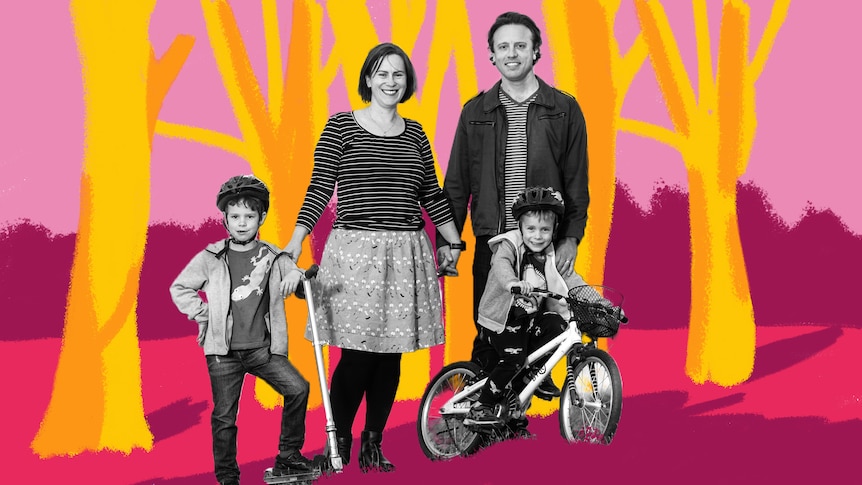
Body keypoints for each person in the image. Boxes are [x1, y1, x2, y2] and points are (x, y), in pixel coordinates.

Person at [283, 43, 463, 473]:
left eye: (398, 74)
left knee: (390, 356)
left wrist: (453, 241)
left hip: (406, 254)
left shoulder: (416, 133)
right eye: (381, 73)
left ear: (407, 81)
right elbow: (319, 189)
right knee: (358, 355)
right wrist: (295, 241)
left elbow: (430, 194)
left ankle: (372, 445)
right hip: (355, 253)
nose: (390, 81)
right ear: (367, 79)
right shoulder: (341, 127)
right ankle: (336, 445)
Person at [437, 11, 590, 400]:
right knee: (493, 332)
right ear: (491, 55)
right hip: (496, 242)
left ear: (536, 51)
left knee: (546, 328)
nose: (512, 53)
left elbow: (576, 182)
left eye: (520, 45)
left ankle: (516, 411)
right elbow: (456, 184)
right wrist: (449, 242)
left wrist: (571, 238)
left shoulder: (564, 109)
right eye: (503, 47)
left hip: (544, 243)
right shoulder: (476, 112)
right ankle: (485, 419)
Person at [170, 175, 314, 485]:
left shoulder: (275, 257)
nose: (242, 223)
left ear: (261, 217)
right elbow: (180, 288)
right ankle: (227, 478)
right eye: (235, 216)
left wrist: (298, 279)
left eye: (249, 216)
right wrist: (204, 313)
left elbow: (301, 283)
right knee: (224, 416)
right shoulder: (211, 257)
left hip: (263, 350)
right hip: (223, 354)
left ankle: (288, 456)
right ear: (225, 219)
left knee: (298, 389)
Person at [464, 187, 597, 427]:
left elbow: (574, 282)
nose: (538, 236)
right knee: (514, 359)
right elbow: (501, 265)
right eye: (531, 229)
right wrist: (513, 283)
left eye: (545, 229)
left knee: (556, 324)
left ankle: (532, 378)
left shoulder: (550, 256)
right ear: (520, 227)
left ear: (554, 229)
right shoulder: (510, 245)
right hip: (502, 321)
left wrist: (602, 304)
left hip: (528, 321)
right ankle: (480, 405)